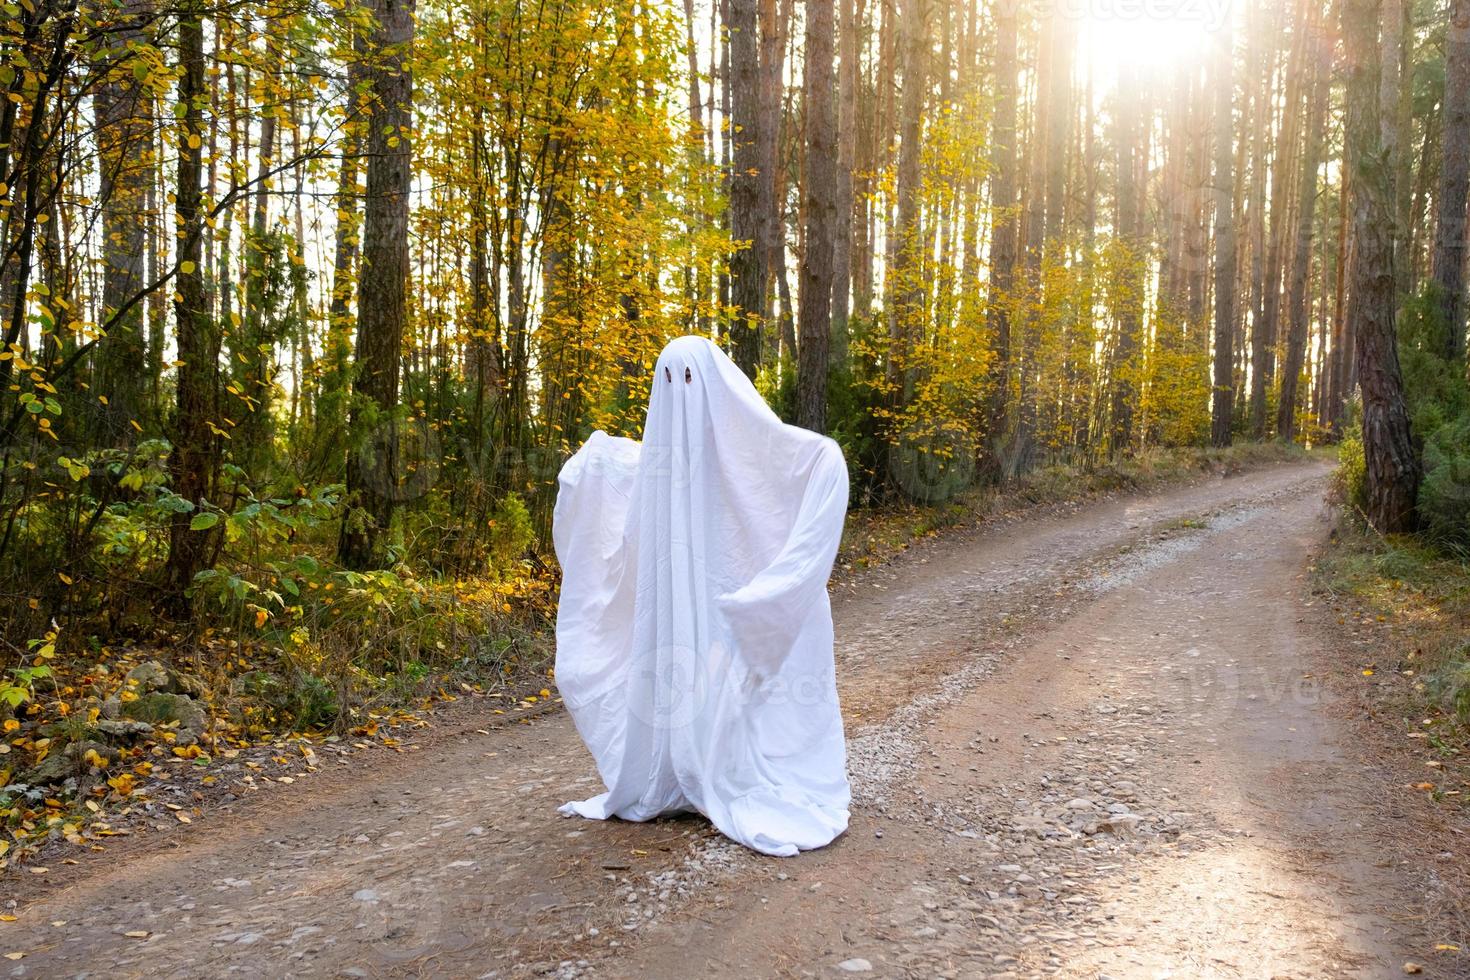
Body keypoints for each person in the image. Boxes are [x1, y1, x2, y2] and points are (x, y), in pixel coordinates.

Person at [551, 335, 851, 857]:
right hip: (675, 608)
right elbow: (618, 488)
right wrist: (588, 470)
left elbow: (788, 471)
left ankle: (725, 766)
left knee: (735, 687)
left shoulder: (744, 455)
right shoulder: (658, 468)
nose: (680, 394)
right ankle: (676, 766)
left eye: (690, 380)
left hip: (727, 603)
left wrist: (765, 594)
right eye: (668, 381)